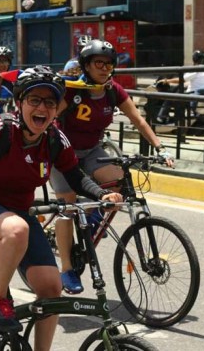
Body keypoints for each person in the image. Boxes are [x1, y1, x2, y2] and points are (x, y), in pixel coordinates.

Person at [0, 66, 122, 351]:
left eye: (50, 102)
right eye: (34, 100)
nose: (42, 108)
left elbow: (74, 175)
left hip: (17, 216)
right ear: (19, 103)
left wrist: (103, 194)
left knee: (51, 289)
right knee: (16, 228)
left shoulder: (53, 140)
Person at [50, 38, 175, 294]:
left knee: (120, 183)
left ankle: (93, 217)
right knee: (68, 206)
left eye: (109, 63)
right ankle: (66, 269)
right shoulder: (74, 89)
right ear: (86, 64)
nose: (105, 67)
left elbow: (139, 120)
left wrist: (160, 149)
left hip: (93, 150)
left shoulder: (112, 90)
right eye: (99, 62)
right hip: (63, 151)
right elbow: (50, 118)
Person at [156, 49, 204, 122]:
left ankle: (161, 117)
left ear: (194, 59)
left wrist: (166, 80)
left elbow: (181, 79)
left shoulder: (195, 69)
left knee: (170, 97)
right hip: (202, 95)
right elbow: (197, 82)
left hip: (193, 95)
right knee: (178, 90)